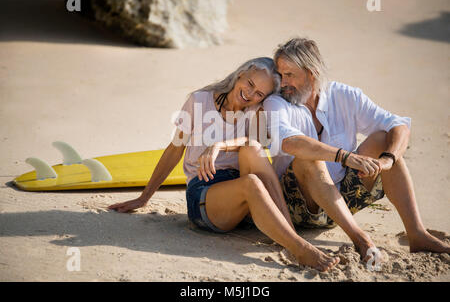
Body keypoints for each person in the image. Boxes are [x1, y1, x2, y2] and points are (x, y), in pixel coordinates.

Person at [108, 57, 340, 272]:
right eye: (249, 83)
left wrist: (220, 145)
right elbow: (174, 150)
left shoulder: (255, 111)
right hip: (205, 195)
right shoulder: (199, 101)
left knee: (253, 150)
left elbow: (255, 145)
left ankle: (289, 234)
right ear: (240, 74)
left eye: (259, 93)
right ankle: (299, 248)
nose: (250, 94)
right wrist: (144, 197)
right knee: (250, 182)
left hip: (243, 200)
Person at [263, 37, 450, 266]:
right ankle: (360, 238)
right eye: (280, 75)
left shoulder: (344, 96)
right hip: (299, 205)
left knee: (383, 139)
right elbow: (290, 143)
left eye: (289, 74)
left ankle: (417, 234)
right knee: (308, 159)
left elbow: (398, 125)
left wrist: (387, 161)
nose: (283, 83)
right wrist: (346, 156)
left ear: (311, 73)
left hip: (342, 198)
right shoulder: (276, 103)